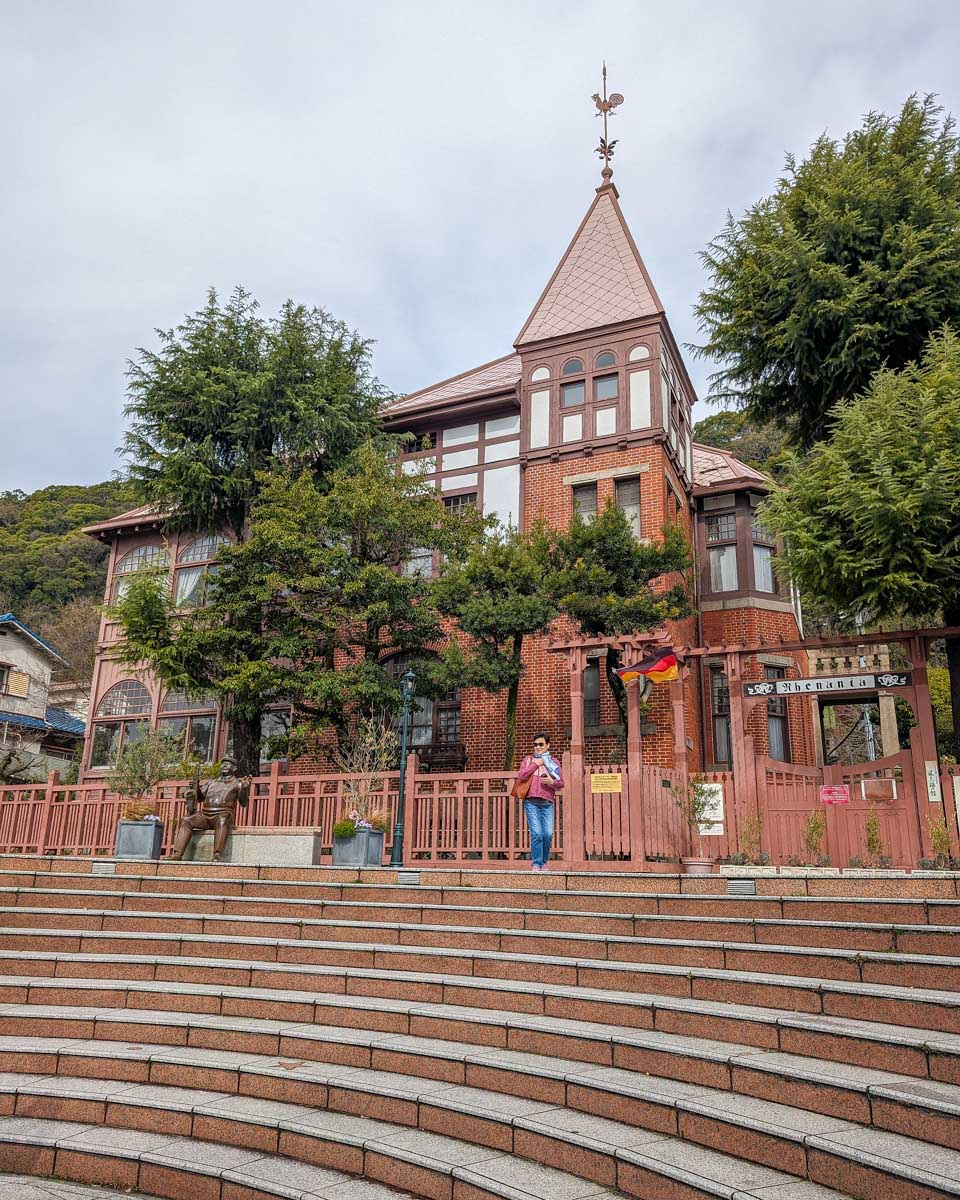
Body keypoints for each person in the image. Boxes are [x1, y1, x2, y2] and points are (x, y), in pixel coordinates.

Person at [168, 757, 252, 861]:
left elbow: (244, 803)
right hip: (205, 815)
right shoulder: (211, 782)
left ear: (234, 768)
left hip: (223, 814)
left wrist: (244, 789)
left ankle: (217, 854)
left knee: (222, 819)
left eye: (228, 764)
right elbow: (200, 798)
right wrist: (196, 787)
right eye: (223, 764)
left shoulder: (237, 783)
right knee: (186, 820)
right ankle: (177, 854)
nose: (224, 766)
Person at [516, 732, 563, 871]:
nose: (537, 747)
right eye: (535, 744)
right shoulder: (528, 760)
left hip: (547, 802)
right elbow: (521, 776)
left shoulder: (554, 763)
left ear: (547, 745)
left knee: (547, 834)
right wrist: (535, 764)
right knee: (536, 833)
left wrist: (551, 782)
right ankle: (536, 863)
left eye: (541, 744)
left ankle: (543, 862)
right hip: (531, 802)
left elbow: (561, 783)